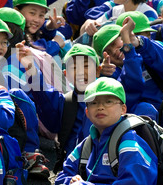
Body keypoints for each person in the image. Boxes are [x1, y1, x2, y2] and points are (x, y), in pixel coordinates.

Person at [36, 77, 158, 185]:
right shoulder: (86, 144)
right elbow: (63, 177)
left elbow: (136, 184)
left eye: (108, 102)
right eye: (94, 103)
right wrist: (72, 181)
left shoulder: (129, 141)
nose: (100, 107)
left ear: (123, 109)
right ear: (87, 112)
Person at [15, 43, 100, 173]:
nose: (80, 72)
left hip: (101, 166)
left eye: (86, 66)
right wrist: (31, 67)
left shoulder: (108, 101)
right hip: (72, 169)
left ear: (98, 71)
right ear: (65, 74)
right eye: (74, 67)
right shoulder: (67, 102)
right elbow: (44, 94)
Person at [91, 20, 163, 121]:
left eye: (115, 43)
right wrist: (106, 75)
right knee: (145, 109)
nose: (114, 51)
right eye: (108, 51)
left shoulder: (148, 49)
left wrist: (136, 42)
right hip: (149, 125)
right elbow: (133, 87)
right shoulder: (110, 72)